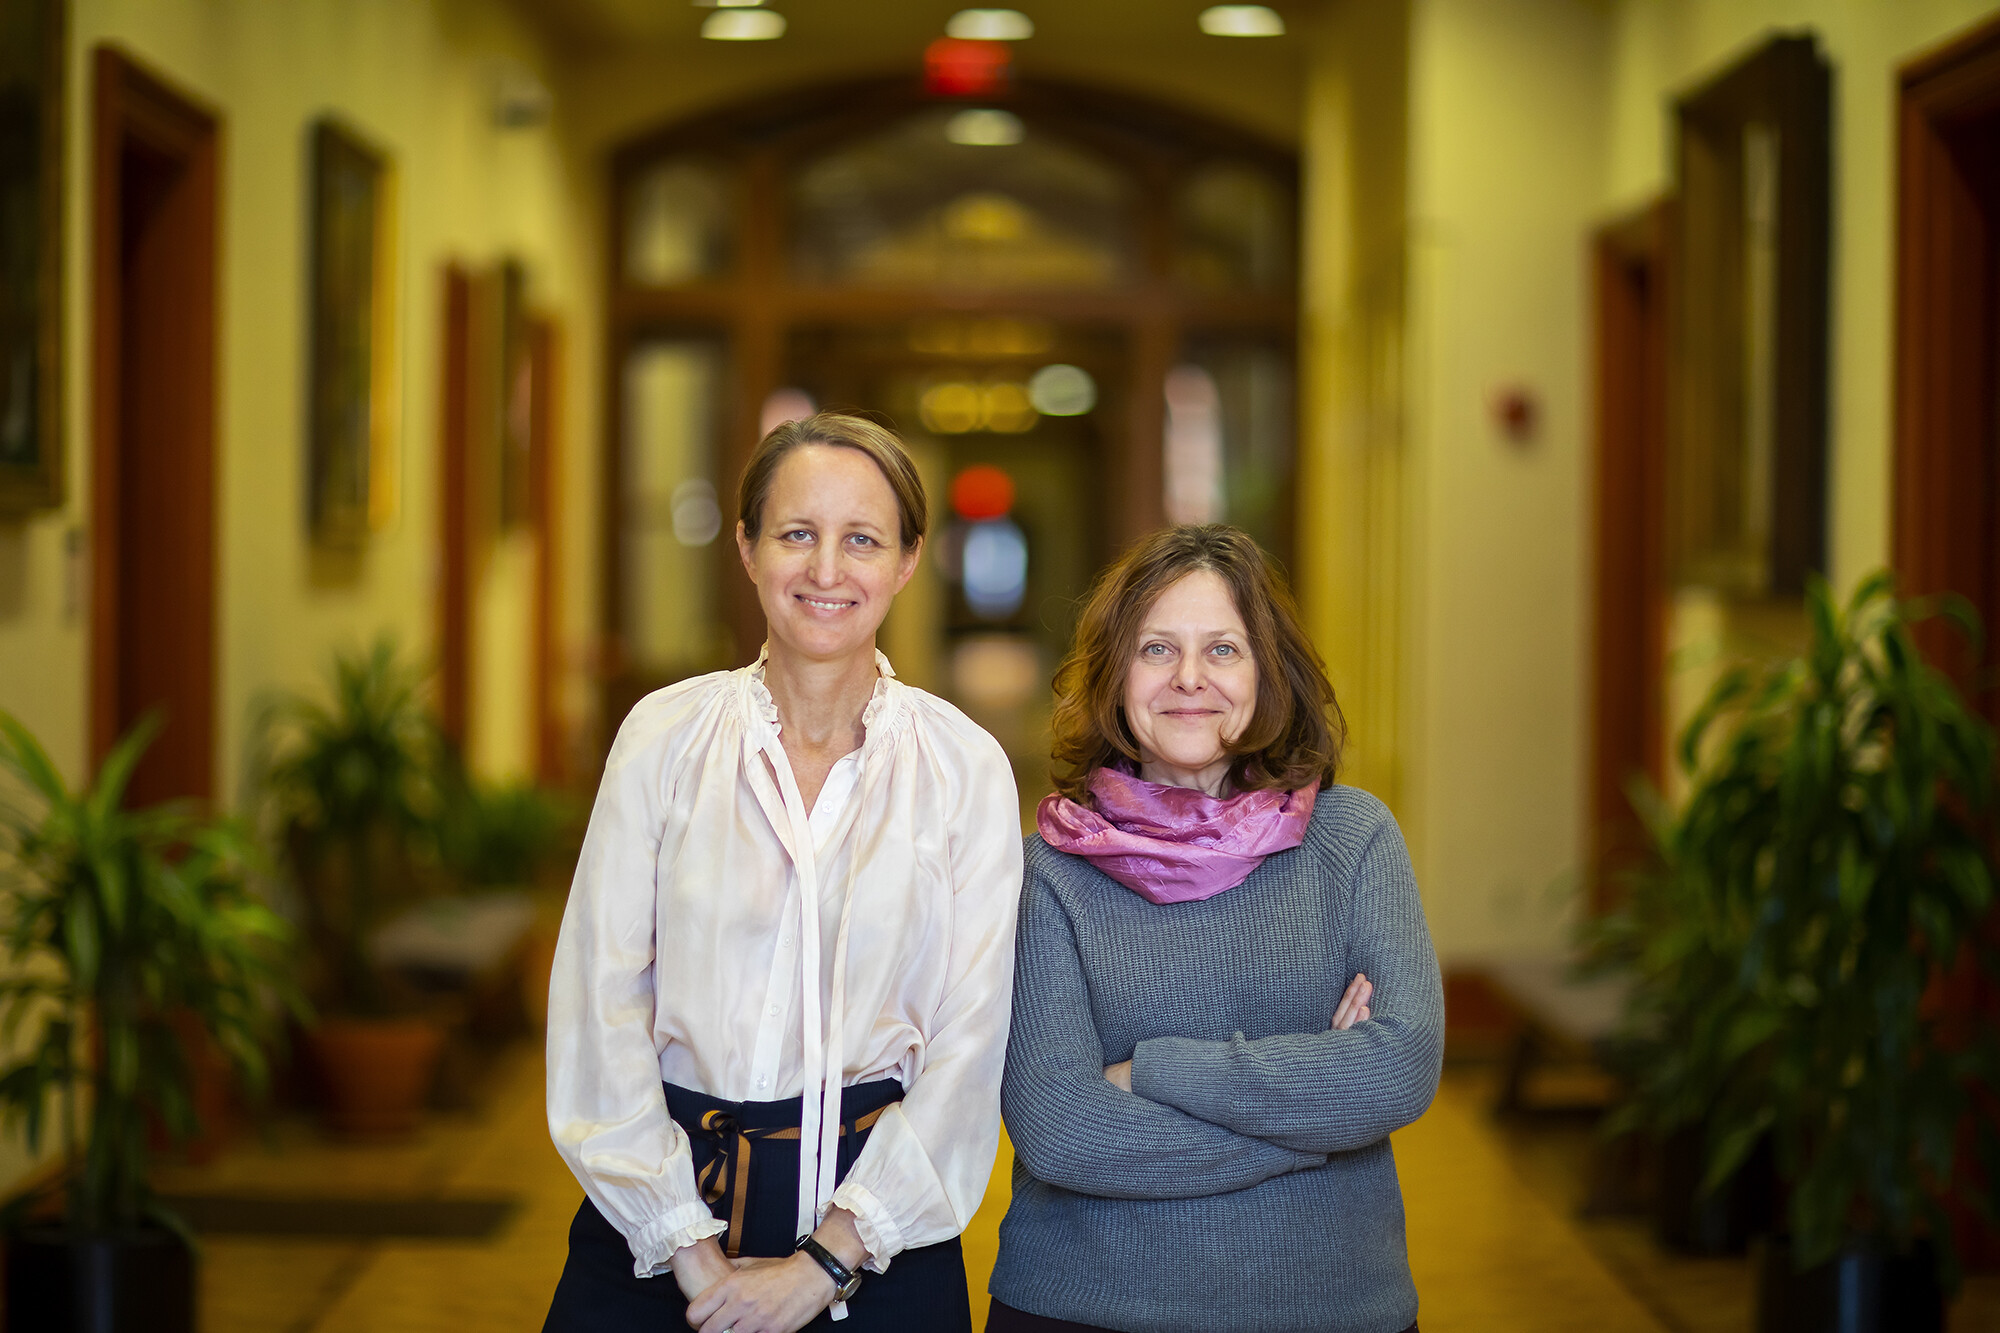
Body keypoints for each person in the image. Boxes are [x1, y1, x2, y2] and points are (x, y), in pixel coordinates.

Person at [544, 412, 1023, 1333]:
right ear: (747, 547)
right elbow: (598, 1004)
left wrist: (824, 1261)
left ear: (909, 559)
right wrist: (686, 1246)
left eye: (863, 540)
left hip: (881, 1240)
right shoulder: (662, 736)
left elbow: (971, 1044)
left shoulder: (964, 767)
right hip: (653, 1225)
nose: (828, 570)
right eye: (797, 533)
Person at [988, 524, 1442, 1333]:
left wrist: (1150, 1071)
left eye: (1223, 650)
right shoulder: (1050, 872)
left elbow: (1398, 1070)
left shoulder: (1355, 839)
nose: (1189, 679)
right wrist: (1319, 1124)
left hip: (1333, 1305)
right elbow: (1060, 1130)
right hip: (1087, 1308)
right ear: (1115, 675)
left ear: (1270, 673)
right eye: (1157, 649)